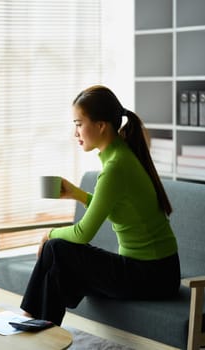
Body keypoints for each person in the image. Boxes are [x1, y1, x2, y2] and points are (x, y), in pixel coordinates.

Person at [20, 85, 181, 325]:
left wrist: (48, 234)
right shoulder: (122, 157)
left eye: (78, 123)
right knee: (58, 264)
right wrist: (78, 194)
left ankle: (32, 323)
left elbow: (83, 233)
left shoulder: (116, 167)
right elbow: (121, 210)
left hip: (151, 275)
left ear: (101, 125)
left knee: (56, 248)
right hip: (157, 272)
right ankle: (37, 325)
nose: (75, 133)